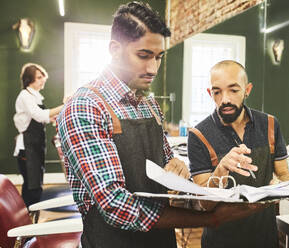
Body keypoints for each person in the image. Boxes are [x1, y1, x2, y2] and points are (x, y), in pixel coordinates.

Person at [56, 2, 268, 247]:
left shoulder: (149, 104)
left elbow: (168, 166)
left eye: (158, 57)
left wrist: (177, 169)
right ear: (115, 49)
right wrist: (211, 219)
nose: (153, 69)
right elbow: (114, 205)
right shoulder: (86, 106)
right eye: (143, 56)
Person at [187, 60, 289, 248]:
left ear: (247, 89)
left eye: (233, 90)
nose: (225, 99)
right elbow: (204, 205)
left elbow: (284, 176)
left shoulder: (269, 124)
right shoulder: (198, 135)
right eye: (217, 92)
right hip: (221, 241)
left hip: (265, 238)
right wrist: (221, 169)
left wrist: (277, 188)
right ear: (210, 93)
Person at [13, 63, 65, 207]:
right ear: (29, 79)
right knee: (32, 185)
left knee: (36, 183)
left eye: (43, 77)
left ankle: (30, 215)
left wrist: (52, 118)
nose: (43, 80)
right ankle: (27, 216)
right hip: (27, 147)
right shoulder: (25, 95)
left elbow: (40, 118)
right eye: (39, 77)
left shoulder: (36, 97)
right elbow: (39, 115)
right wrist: (64, 106)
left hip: (36, 145)